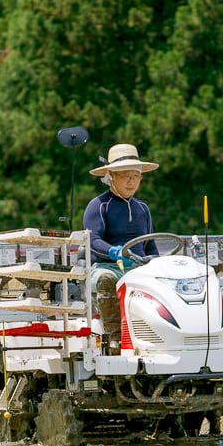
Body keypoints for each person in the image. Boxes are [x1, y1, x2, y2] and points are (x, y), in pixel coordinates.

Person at [82, 143, 159, 339]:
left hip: (140, 267)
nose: (131, 181)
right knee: (106, 279)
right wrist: (113, 252)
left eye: (135, 176)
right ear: (111, 177)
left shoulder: (143, 208)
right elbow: (92, 239)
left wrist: (157, 264)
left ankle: (160, 335)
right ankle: (116, 337)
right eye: (126, 176)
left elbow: (150, 246)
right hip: (107, 265)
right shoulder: (99, 205)